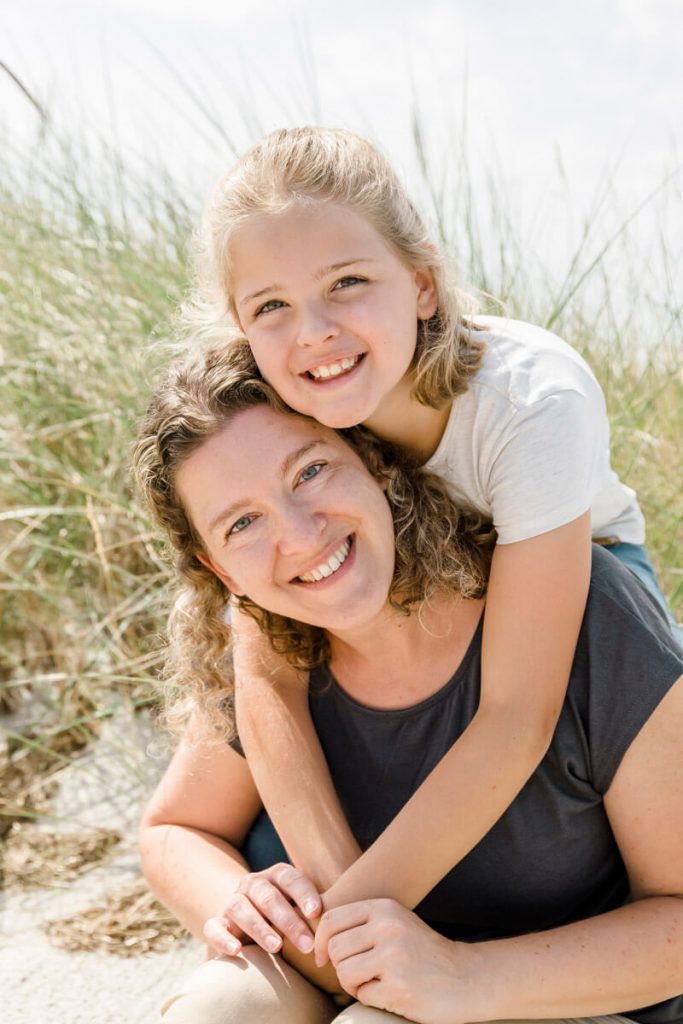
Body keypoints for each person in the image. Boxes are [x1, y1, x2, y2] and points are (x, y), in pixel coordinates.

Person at [181, 125, 681, 918]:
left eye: (346, 282)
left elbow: (518, 716)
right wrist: (343, 895)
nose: (313, 331)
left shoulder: (532, 404)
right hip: (405, 576)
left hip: (574, 575)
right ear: (242, 327)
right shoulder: (289, 395)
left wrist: (359, 918)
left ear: (421, 283)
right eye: (270, 305)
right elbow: (265, 670)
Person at [135, 344, 683, 1024]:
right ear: (219, 570)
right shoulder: (267, 650)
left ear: (372, 462)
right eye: (241, 523)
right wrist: (236, 896)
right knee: (216, 1013)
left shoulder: (584, 612)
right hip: (338, 979)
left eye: (309, 471)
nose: (300, 536)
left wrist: (462, 975)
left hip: (560, 1000)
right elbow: (174, 829)